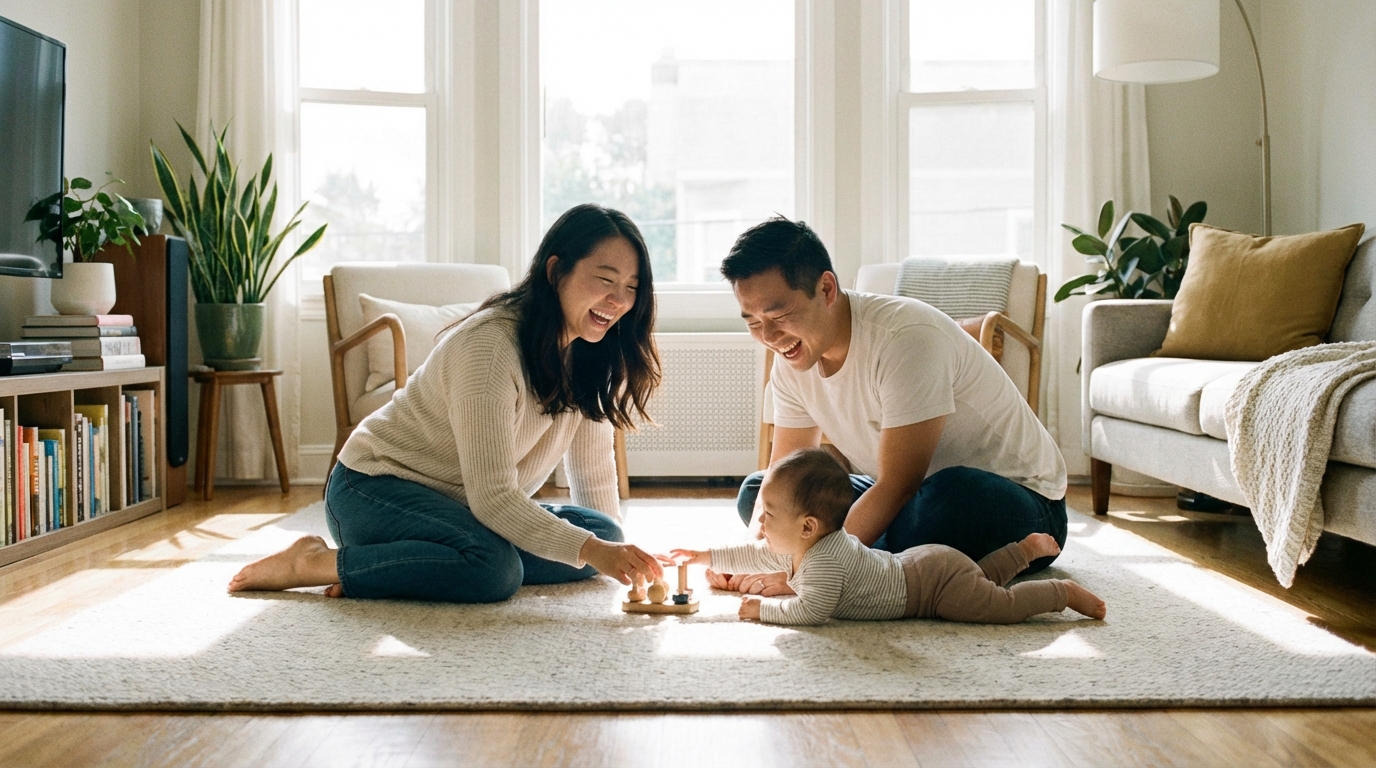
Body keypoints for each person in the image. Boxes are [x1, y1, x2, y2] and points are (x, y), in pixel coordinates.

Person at [228, 204, 665, 601]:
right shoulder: (490, 348)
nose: (620, 300)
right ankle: (314, 561)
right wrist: (589, 551)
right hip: (374, 489)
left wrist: (612, 557)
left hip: (463, 507)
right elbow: (494, 498)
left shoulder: (588, 352)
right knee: (494, 571)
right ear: (555, 272)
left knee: (602, 530)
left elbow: (589, 471)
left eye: (631, 286)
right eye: (605, 280)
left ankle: (418, 563)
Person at [718, 216, 1069, 598]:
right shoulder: (792, 360)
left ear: (826, 288)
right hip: (904, 494)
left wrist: (808, 573)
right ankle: (891, 560)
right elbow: (783, 473)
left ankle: (853, 560)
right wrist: (757, 555)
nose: (768, 336)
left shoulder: (906, 338)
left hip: (1019, 500)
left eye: (779, 315)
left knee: (940, 502)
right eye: (753, 321)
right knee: (761, 493)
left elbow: (898, 484)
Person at [668, 449, 1104, 626]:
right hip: (927, 562)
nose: (760, 523)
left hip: (927, 586)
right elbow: (755, 554)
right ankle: (1021, 552)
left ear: (806, 527)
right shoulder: (803, 545)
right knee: (978, 579)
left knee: (993, 605)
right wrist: (704, 554)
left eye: (768, 516)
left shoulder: (822, 561)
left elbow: (812, 612)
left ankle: (1059, 593)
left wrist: (762, 610)